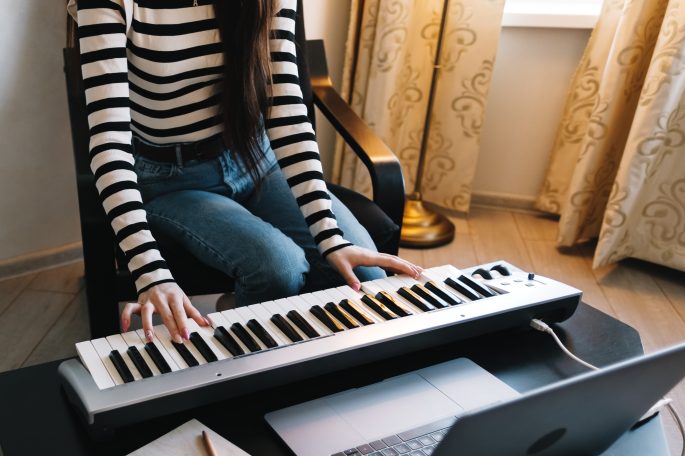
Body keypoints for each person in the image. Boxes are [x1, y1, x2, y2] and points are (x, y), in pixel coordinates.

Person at [69, 0, 422, 344]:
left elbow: (286, 111)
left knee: (364, 276)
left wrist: (330, 237)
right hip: (169, 178)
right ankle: (247, 343)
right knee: (278, 269)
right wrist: (149, 273)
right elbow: (109, 140)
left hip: (255, 157)